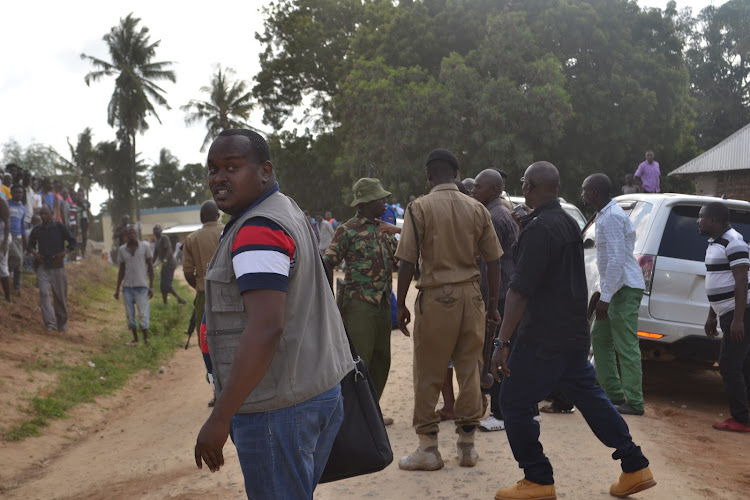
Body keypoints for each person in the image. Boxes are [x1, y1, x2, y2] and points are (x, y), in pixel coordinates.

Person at [194, 129, 353, 499]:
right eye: (212, 169)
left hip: (278, 408)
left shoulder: (257, 229)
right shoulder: (283, 208)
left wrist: (220, 418)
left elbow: (266, 327)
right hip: (312, 391)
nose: (218, 178)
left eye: (232, 167)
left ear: (264, 171)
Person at [491, 161, 655, 500]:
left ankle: (538, 478)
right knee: (592, 401)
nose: (523, 187)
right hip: (571, 334)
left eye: (524, 181)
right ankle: (634, 464)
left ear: (531, 185)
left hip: (542, 337)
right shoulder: (566, 222)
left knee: (513, 401)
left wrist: (502, 341)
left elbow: (520, 290)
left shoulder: (540, 228)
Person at [395, 149, 503, 470]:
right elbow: (493, 260)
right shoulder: (477, 208)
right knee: (469, 368)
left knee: (429, 370)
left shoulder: (419, 208)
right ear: (456, 174)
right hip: (471, 297)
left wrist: (400, 304)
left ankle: (428, 449)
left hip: (436, 297)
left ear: (429, 175)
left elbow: (406, 261)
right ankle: (467, 446)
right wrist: (493, 305)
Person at [323, 178, 398, 404]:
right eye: (380, 199)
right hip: (358, 305)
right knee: (359, 361)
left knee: (382, 360)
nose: (385, 202)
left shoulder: (384, 230)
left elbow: (400, 259)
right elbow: (328, 262)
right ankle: (354, 414)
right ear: (365, 202)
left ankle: (371, 411)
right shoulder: (347, 229)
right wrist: (328, 300)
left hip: (383, 304)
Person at [582, 174, 646, 415]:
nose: (583, 194)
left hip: (625, 287)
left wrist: (606, 297)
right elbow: (608, 260)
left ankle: (635, 402)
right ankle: (615, 395)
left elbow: (617, 258)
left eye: (585, 190)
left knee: (626, 345)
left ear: (596, 192)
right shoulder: (606, 215)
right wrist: (603, 292)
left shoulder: (612, 217)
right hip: (614, 287)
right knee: (600, 339)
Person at [471, 169, 520, 432]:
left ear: (492, 190)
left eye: (478, 187)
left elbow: (495, 263)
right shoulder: (500, 214)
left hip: (499, 295)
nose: (473, 191)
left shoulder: (492, 217)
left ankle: (500, 414)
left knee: (496, 351)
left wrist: (490, 303)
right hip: (502, 292)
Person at [698, 202, 750, 432]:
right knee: (741, 365)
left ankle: (740, 419)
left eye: (702, 217)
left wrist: (738, 319)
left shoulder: (734, 241)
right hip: (727, 313)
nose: (698, 221)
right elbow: (718, 280)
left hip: (739, 313)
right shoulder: (715, 242)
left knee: (729, 366)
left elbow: (741, 281)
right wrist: (712, 315)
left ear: (714, 220)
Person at [183, 200, 224, 407]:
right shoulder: (230, 230)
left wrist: (200, 285)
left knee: (208, 344)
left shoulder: (192, 239)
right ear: (218, 215)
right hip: (230, 293)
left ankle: (217, 392)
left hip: (204, 296)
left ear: (201, 218)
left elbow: (188, 272)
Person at [28, 205, 76, 331]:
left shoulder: (59, 227)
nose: (43, 216)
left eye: (45, 213)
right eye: (41, 214)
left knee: (60, 296)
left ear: (51, 214)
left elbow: (72, 242)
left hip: (57, 266)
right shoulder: (37, 229)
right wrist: (36, 254)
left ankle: (62, 324)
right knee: (43, 293)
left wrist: (63, 254)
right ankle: (50, 324)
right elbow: (30, 245)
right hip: (43, 265)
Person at [115, 226, 154, 346]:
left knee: (143, 314)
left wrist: (151, 287)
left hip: (142, 287)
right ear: (126, 236)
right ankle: (135, 339)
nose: (132, 235)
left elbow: (151, 268)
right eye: (129, 233)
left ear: (137, 235)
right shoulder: (122, 250)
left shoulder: (144, 248)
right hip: (127, 288)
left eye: (134, 233)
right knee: (130, 315)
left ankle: (146, 340)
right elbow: (121, 270)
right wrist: (117, 289)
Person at [152, 224, 187, 305]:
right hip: (164, 266)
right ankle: (165, 303)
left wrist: (165, 260)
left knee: (167, 284)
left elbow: (168, 250)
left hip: (170, 264)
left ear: (161, 230)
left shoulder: (164, 238)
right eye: (155, 229)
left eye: (158, 229)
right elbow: (155, 255)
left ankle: (180, 299)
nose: (156, 231)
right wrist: (150, 265)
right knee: (162, 286)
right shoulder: (157, 242)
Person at [8, 185, 27, 295]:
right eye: (16, 192)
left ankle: (17, 287)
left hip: (19, 237)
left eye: (20, 192)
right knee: (16, 257)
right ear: (11, 192)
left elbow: (23, 226)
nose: (18, 194)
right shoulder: (6, 204)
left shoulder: (22, 208)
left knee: (20, 265)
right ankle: (4, 275)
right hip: (8, 235)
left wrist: (25, 241)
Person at [0, 196, 10, 302]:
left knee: (2, 267)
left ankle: (8, 297)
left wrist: (4, 243)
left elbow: (7, 222)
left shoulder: (1, 202)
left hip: (2, 236)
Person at [76, 188, 91, 258]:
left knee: (84, 237)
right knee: (78, 237)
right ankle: (77, 253)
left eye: (81, 193)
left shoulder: (86, 201)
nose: (80, 194)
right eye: (79, 193)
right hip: (77, 220)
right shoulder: (76, 201)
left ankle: (83, 253)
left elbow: (87, 207)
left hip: (84, 220)